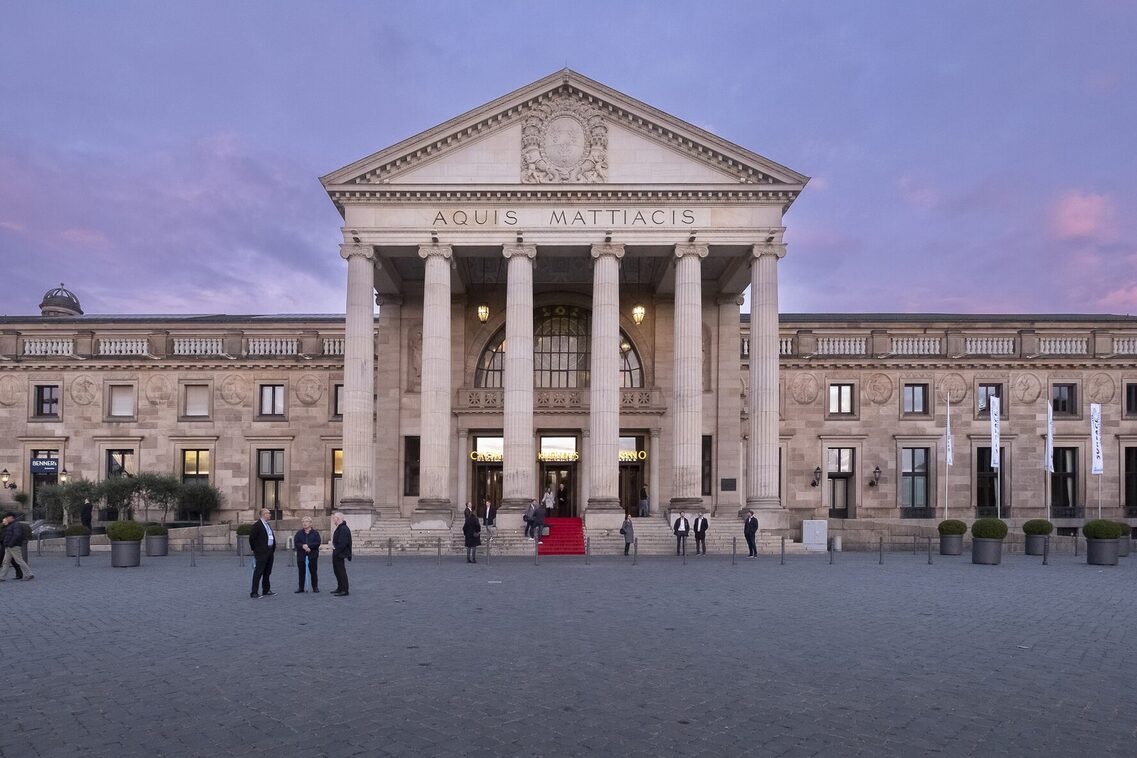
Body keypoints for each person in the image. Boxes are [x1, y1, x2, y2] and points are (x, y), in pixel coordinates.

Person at [248, 508, 276, 598]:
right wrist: (254, 549)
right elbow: (251, 538)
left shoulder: (267, 525)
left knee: (267, 572)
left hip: (270, 551)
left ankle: (266, 589)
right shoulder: (257, 525)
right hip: (261, 552)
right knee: (258, 572)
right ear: (264, 514)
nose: (270, 515)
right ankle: (254, 592)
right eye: (268, 513)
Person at [0, 514, 34, 581]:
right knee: (6, 562)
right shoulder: (10, 525)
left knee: (19, 560)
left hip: (14, 546)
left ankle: (29, 574)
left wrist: (10, 544)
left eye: (7, 517)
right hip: (9, 546)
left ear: (11, 517)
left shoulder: (16, 525)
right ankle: (1, 577)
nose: (6, 518)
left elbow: (17, 535)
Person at [293, 516, 321, 593]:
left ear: (310, 523)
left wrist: (308, 546)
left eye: (306, 521)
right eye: (303, 522)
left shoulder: (315, 533)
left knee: (313, 571)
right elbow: (296, 542)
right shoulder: (299, 533)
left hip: (312, 555)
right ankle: (301, 587)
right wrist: (303, 546)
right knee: (301, 572)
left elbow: (317, 542)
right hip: (301, 555)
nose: (304, 523)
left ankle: (315, 587)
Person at [331, 512, 352, 596]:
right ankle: (340, 587)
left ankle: (344, 589)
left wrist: (336, 552)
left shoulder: (343, 528)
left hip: (340, 553)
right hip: (337, 552)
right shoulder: (340, 527)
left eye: (334, 518)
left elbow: (343, 543)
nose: (333, 520)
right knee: (337, 571)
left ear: (338, 519)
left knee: (341, 571)